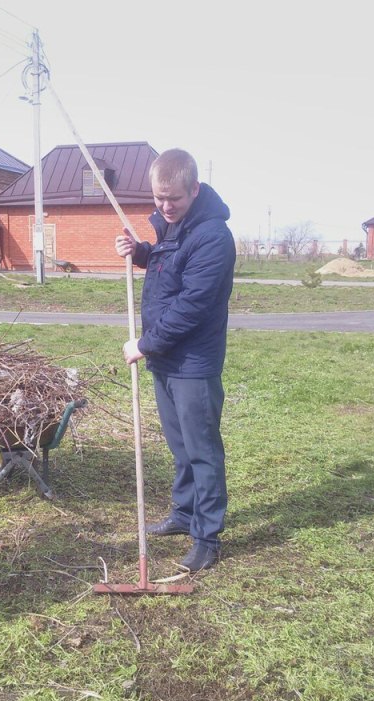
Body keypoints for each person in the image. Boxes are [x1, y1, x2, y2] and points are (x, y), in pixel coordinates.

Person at [114, 148, 236, 572]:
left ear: (195, 189)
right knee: (180, 446)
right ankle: (185, 513)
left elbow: (192, 304)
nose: (166, 207)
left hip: (193, 363)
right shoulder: (173, 228)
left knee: (202, 450)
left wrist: (145, 344)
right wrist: (142, 251)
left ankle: (207, 536)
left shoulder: (213, 236)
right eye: (159, 199)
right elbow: (171, 268)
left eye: (175, 199)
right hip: (168, 359)